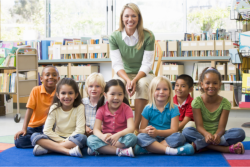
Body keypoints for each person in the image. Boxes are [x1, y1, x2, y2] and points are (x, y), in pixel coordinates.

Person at [109, 3, 155, 134]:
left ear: (139, 18)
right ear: (122, 18)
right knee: (116, 86)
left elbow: (147, 64)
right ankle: (121, 123)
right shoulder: (114, 36)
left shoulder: (148, 36)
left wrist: (134, 80)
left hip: (144, 73)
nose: (130, 19)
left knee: (143, 84)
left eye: (134, 16)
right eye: (127, 16)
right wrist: (128, 80)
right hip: (124, 73)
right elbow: (117, 64)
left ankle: (135, 126)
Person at [182, 67, 245, 154]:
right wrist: (206, 134)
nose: (211, 86)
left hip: (219, 136)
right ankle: (224, 149)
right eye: (207, 83)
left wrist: (217, 135)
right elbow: (199, 126)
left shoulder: (225, 103)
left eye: (215, 83)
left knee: (240, 132)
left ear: (220, 84)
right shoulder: (196, 102)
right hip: (202, 134)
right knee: (186, 131)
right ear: (202, 84)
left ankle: (201, 145)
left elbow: (221, 128)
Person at [135, 76, 194, 155]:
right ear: (152, 92)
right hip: (152, 137)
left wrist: (157, 132)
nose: (161, 92)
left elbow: (174, 130)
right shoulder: (147, 108)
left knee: (180, 136)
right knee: (140, 137)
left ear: (170, 92)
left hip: (167, 138)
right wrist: (146, 131)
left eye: (165, 89)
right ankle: (172, 151)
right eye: (158, 89)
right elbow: (141, 130)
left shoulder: (174, 108)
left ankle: (149, 149)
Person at [30, 78, 87, 157]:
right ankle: (67, 151)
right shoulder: (54, 107)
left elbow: (80, 130)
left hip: (72, 138)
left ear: (76, 95)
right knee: (35, 136)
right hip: (56, 137)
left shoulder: (80, 107)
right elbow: (47, 130)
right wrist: (62, 141)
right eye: (63, 93)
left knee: (82, 138)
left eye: (70, 93)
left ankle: (49, 149)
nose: (67, 96)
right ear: (58, 95)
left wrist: (64, 141)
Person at [87, 79, 137, 157]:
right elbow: (96, 129)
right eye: (112, 94)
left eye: (120, 94)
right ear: (105, 95)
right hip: (106, 139)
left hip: (120, 139)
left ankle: (102, 150)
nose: (116, 97)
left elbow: (131, 128)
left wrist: (118, 135)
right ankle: (120, 151)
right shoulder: (101, 110)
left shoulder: (127, 109)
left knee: (133, 138)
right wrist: (102, 136)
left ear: (124, 95)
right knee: (90, 139)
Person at [14, 66, 60, 148]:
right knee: (19, 140)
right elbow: (29, 110)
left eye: (54, 75)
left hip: (50, 127)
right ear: (41, 78)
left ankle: (40, 141)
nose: (51, 77)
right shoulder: (36, 90)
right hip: (34, 127)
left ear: (58, 78)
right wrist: (24, 129)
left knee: (60, 134)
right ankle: (45, 143)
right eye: (47, 75)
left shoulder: (60, 92)